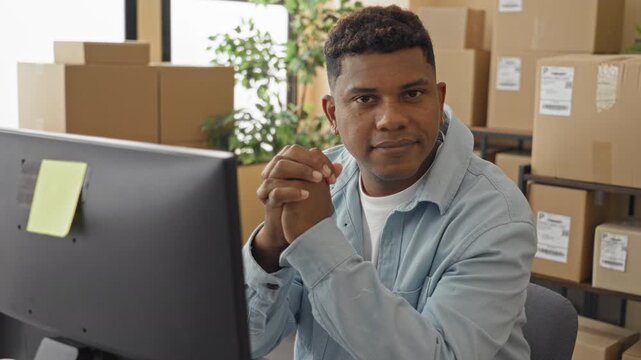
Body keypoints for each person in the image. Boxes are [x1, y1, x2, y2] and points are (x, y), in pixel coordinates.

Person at [242, 5, 536, 360]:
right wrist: (270, 246)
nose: (391, 119)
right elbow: (250, 343)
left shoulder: (495, 214)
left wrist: (316, 242)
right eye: (365, 99)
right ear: (333, 114)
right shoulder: (319, 185)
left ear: (439, 100)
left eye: (412, 94)